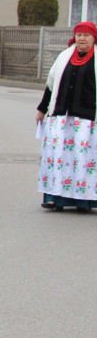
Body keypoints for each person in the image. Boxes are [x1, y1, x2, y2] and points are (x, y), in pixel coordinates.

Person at [36, 22, 97, 210]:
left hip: (87, 120)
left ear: (94, 38)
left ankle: (83, 200)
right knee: (58, 158)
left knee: (83, 160)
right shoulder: (64, 57)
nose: (82, 38)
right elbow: (51, 85)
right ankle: (54, 197)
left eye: (86, 35)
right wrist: (42, 109)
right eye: (79, 35)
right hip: (61, 117)